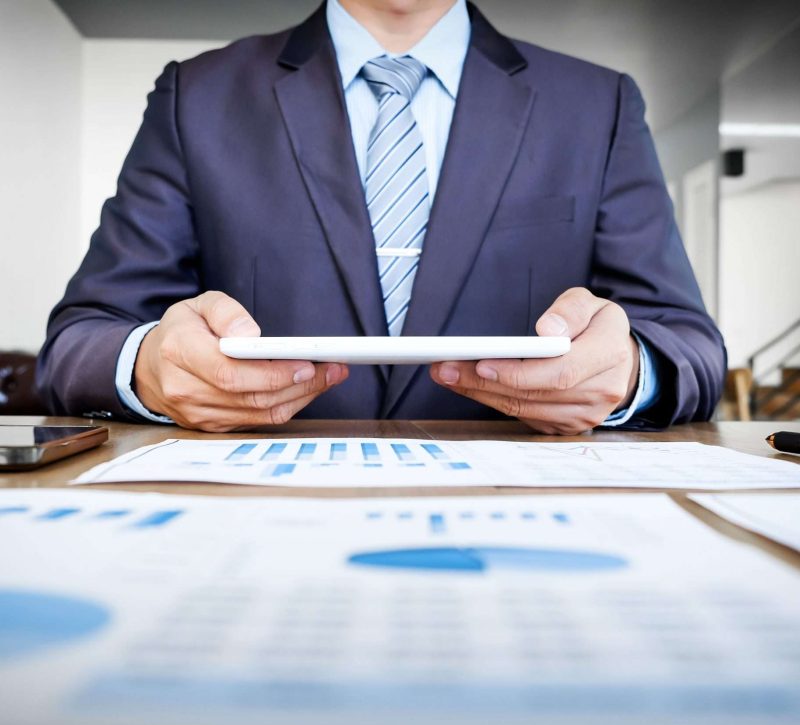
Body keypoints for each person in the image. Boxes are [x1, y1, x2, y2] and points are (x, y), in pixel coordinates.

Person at [36, 0, 726, 434]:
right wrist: (150, 366)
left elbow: (691, 346)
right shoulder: (198, 93)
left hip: (525, 514)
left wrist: (631, 374)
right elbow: (77, 343)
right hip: (257, 511)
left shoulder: (595, 103)